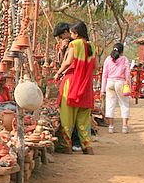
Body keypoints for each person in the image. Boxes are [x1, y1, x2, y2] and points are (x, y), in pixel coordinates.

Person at [54, 21, 97, 155]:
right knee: (84, 119)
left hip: (72, 83)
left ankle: (67, 146)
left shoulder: (75, 44)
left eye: (72, 33)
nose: (70, 36)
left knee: (67, 116)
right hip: (86, 86)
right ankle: (87, 147)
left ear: (76, 34)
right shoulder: (92, 46)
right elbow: (96, 67)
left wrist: (58, 73)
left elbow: (68, 62)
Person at [102, 42, 131, 133]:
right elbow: (127, 73)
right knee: (124, 104)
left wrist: (103, 89)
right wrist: (128, 84)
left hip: (109, 82)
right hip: (120, 82)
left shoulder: (108, 59)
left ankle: (111, 126)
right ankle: (124, 126)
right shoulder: (124, 59)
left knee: (110, 104)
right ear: (122, 51)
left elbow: (104, 75)